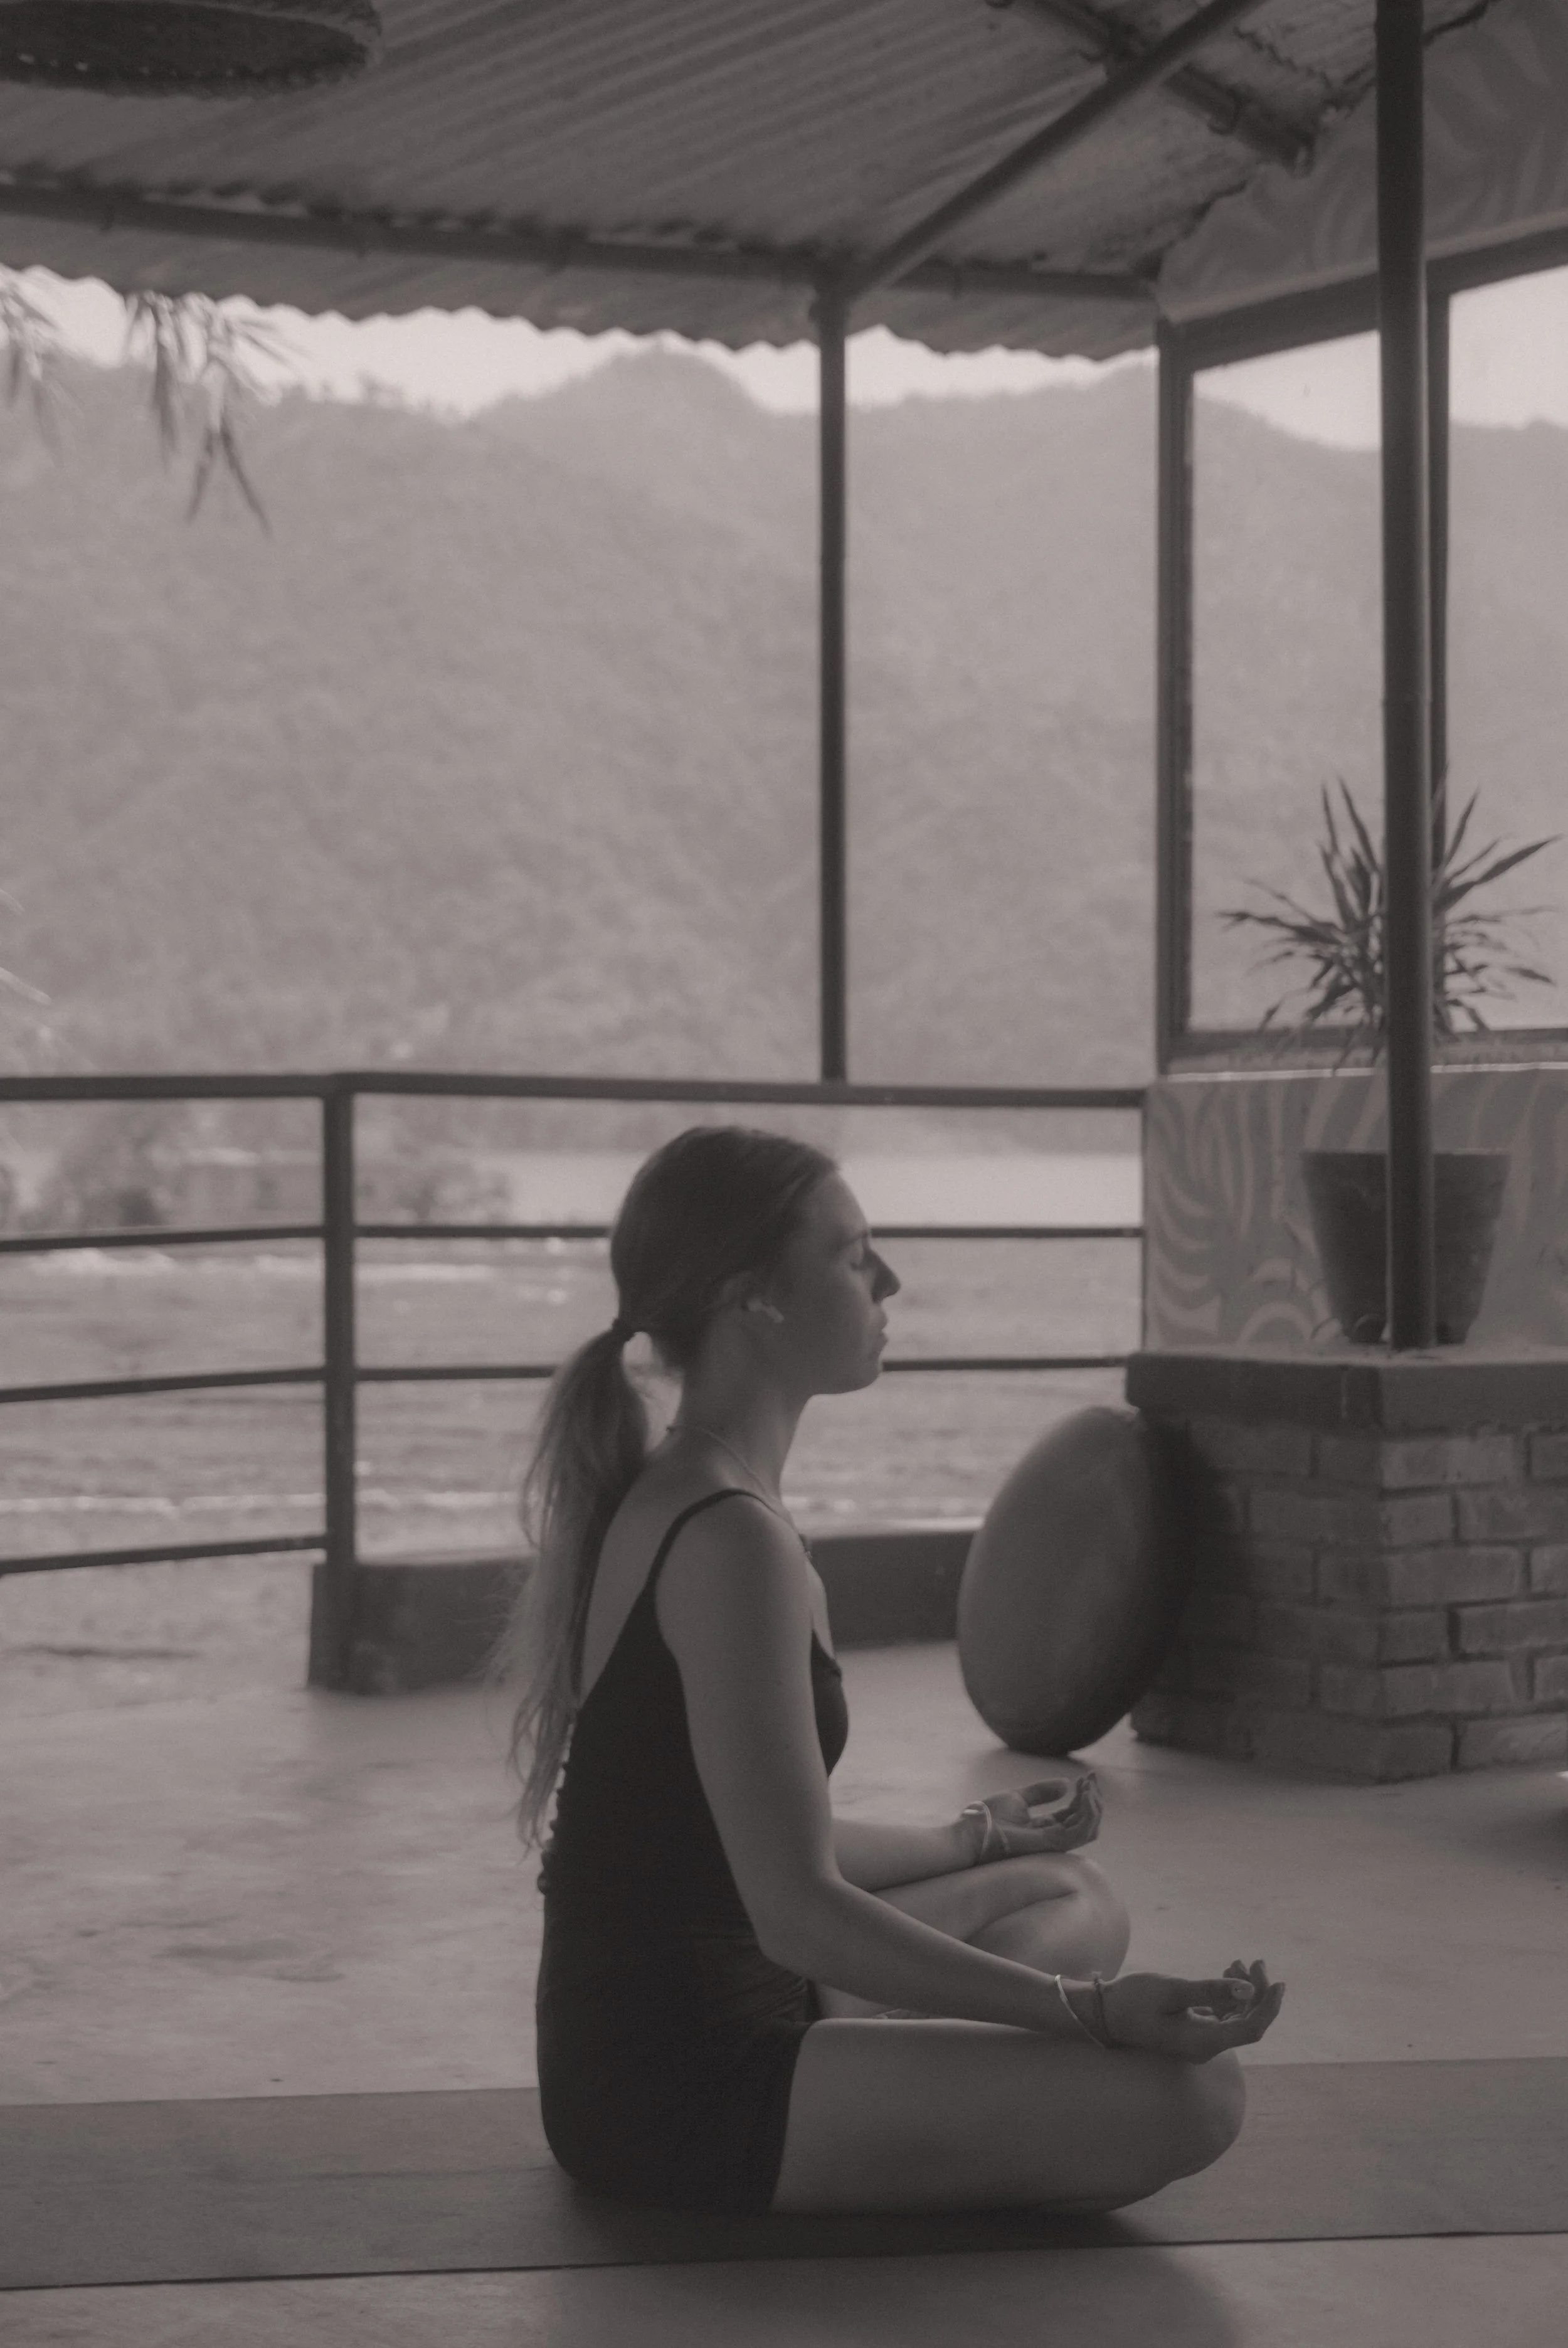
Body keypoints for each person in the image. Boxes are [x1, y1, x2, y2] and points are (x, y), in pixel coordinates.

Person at [504, 1125, 1285, 2217]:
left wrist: (981, 1837)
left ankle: (898, 2070)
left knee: (1068, 1891)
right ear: (753, 1296)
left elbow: (771, 1838)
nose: (890, 1280)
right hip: (676, 2077)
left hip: (742, 1990)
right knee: (1195, 2098)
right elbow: (798, 1909)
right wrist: (1087, 2013)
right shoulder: (729, 1541)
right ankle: (894, 2081)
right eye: (852, 1252)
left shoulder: (707, 1494)